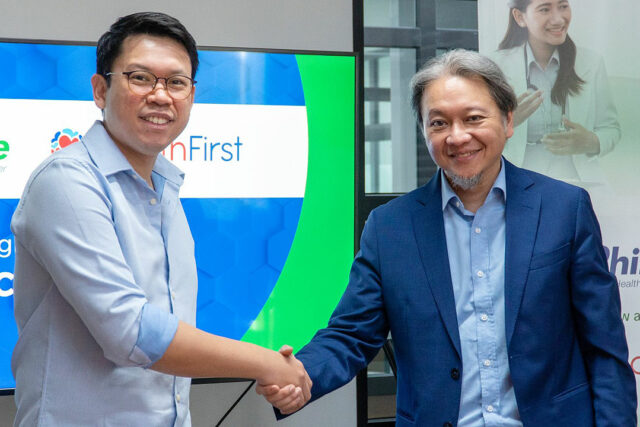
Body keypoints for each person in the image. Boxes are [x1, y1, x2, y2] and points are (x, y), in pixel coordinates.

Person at [257, 49, 637, 425]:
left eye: (473, 118)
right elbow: (351, 334)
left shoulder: (564, 209)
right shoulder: (390, 228)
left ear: (508, 120)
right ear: (424, 131)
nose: (457, 136)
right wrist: (299, 375)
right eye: (439, 123)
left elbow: (604, 347)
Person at [10, 12, 310, 426]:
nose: (160, 95)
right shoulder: (67, 180)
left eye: (176, 82)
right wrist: (266, 363)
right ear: (100, 89)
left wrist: (274, 372)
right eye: (140, 78)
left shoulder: (164, 186)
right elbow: (130, 330)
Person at [489, 0, 620, 187]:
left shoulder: (592, 63)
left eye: (563, 6)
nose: (558, 19)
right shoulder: (495, 66)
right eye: (545, 9)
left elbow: (611, 129)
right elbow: (478, 135)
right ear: (520, 17)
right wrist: (507, 122)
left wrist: (591, 142)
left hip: (578, 184)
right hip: (517, 182)